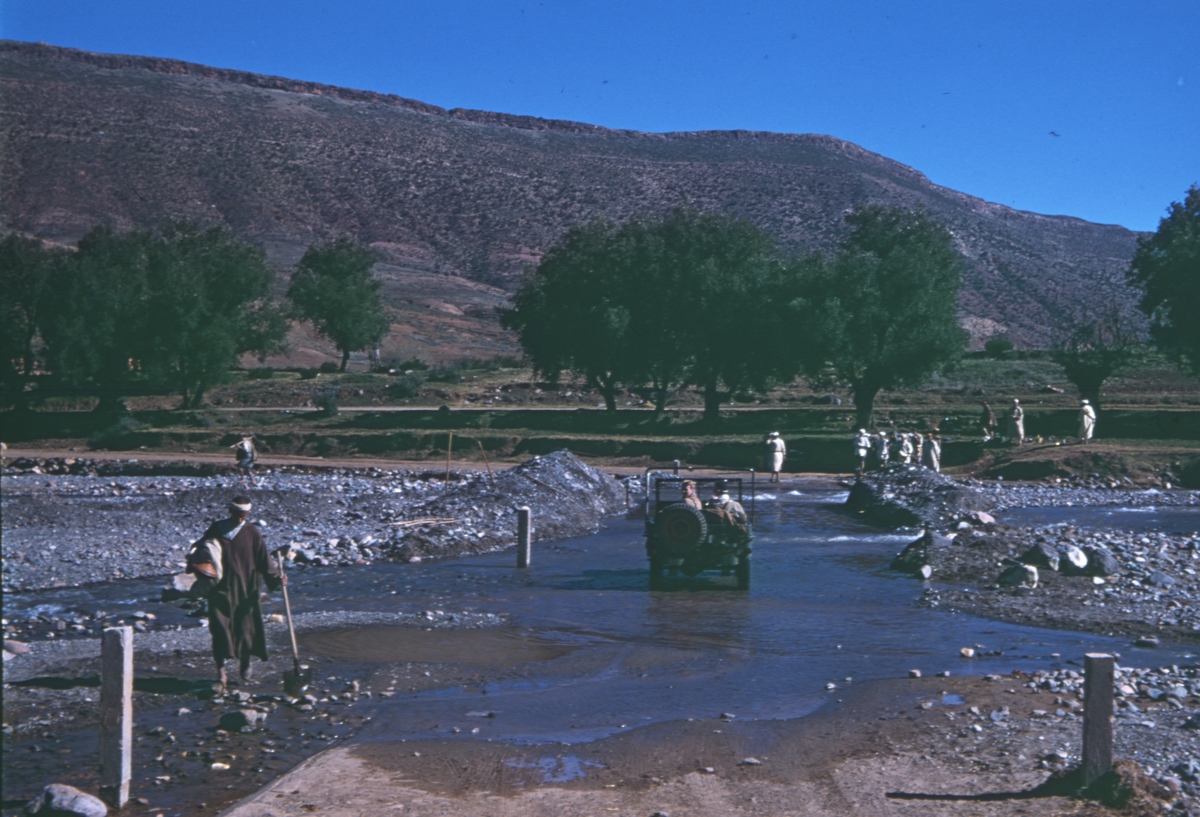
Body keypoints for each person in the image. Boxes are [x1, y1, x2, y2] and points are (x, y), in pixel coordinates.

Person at [196, 497, 284, 688]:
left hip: (246, 588)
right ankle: (221, 672)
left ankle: (245, 662)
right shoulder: (217, 528)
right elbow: (202, 550)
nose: (239, 519)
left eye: (243, 516)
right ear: (230, 511)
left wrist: (276, 579)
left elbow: (264, 561)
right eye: (237, 514)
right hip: (220, 589)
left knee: (245, 628)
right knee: (219, 628)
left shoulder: (252, 532)